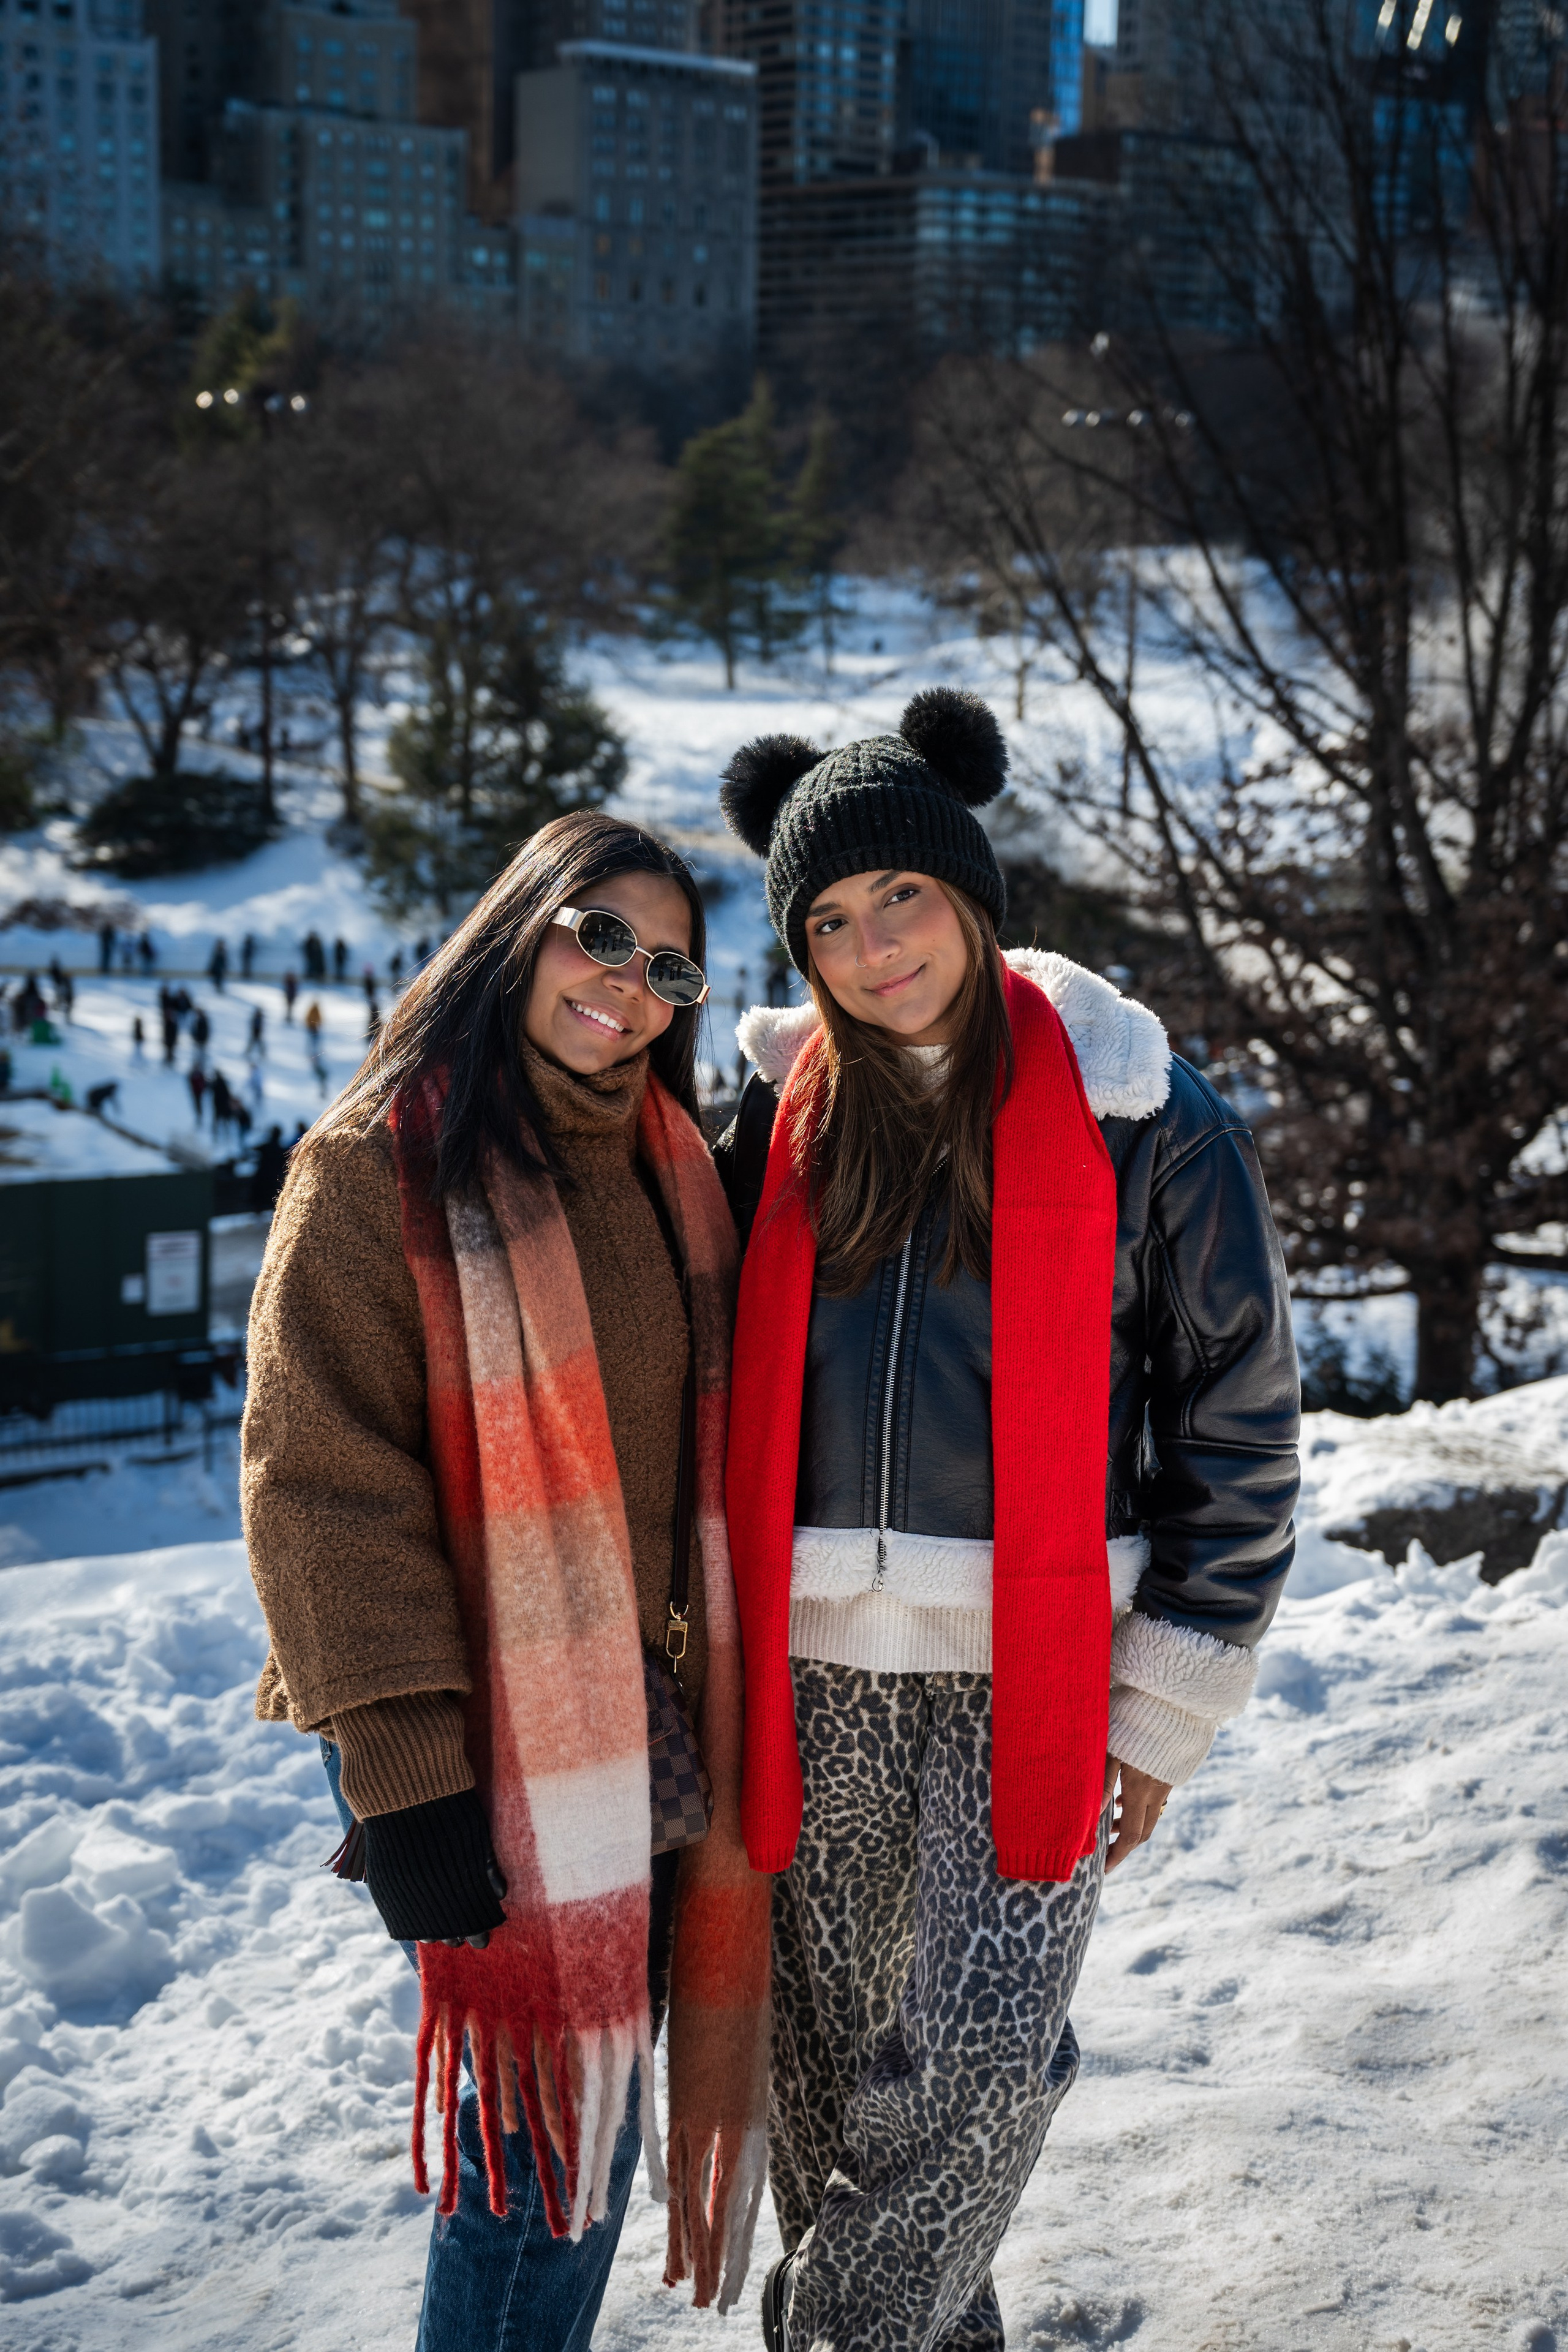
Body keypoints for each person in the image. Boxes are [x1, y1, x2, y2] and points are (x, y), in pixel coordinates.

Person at [711, 691, 1301, 2352]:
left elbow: (1239, 1422)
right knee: (827, 2094)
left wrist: (1169, 1706)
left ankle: (826, 2333)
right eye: (828, 919)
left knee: (977, 2064)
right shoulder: (776, 1123)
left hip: (1032, 1676)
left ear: (970, 891)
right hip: (810, 1675)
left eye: (900, 896)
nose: (873, 945)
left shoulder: (1144, 1118)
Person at [240, 810, 773, 2347]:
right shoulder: (375, 1171)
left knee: (587, 2122)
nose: (627, 986)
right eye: (598, 936)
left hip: (652, 1731)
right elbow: (321, 1488)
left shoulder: (675, 1166)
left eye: (666, 966)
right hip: (488, 1738)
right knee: (545, 2139)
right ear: (520, 927)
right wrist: (402, 1771)